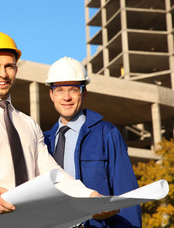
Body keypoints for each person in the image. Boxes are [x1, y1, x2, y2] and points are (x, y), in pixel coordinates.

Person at [0, 32, 115, 227]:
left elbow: (51, 173)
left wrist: (90, 197)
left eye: (9, 66)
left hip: (27, 221)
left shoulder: (28, 124)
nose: (3, 73)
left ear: (16, 70)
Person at [43, 56, 142, 227]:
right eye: (59, 90)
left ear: (84, 92)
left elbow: (126, 195)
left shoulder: (106, 134)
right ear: (51, 94)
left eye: (73, 90)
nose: (66, 97)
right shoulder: (44, 142)